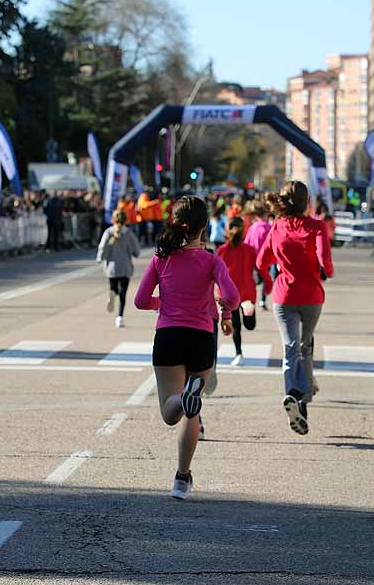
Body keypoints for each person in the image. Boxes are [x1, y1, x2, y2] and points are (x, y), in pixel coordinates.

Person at [134, 196, 238, 501]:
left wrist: (161, 302)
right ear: (204, 227)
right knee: (192, 414)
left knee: (171, 412)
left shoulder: (160, 258)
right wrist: (225, 307)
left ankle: (183, 396)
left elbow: (141, 301)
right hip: (201, 338)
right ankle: (182, 478)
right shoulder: (211, 260)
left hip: (168, 335)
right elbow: (232, 296)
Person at [256, 181, 334, 436]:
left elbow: (261, 261)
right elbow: (325, 261)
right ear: (306, 201)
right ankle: (302, 399)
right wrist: (326, 271)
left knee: (290, 347)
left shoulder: (277, 227)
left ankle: (293, 392)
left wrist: (276, 269)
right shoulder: (317, 226)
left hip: (284, 295)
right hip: (312, 295)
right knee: (305, 345)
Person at [216, 216, 258, 365]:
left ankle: (238, 354)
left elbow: (217, 275)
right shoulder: (250, 249)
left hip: (230, 293)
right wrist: (268, 282)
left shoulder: (222, 250)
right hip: (247, 291)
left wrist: (219, 294)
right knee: (249, 325)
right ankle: (249, 310)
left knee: (236, 325)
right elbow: (260, 268)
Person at [97, 209, 140, 328]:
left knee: (114, 286)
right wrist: (134, 253)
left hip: (111, 267)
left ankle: (112, 292)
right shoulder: (128, 233)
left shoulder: (109, 232)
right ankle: (120, 317)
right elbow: (136, 251)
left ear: (113, 220)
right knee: (123, 293)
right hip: (125, 267)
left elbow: (102, 246)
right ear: (126, 220)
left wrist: (100, 258)